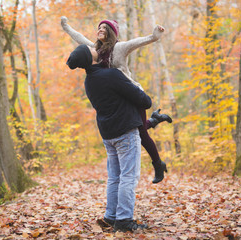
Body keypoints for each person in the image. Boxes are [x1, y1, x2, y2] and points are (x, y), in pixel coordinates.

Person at [61, 16, 171, 184]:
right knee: (136, 126)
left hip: (132, 92)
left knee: (140, 133)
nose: (101, 30)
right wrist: (66, 27)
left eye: (105, 28)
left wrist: (155, 36)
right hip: (118, 96)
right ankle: (154, 120)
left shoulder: (119, 47)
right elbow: (79, 38)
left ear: (111, 33)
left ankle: (158, 164)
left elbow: (139, 41)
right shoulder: (94, 50)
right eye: (99, 28)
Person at [66, 44, 150, 232]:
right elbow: (143, 100)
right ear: (91, 56)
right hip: (126, 132)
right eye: (90, 47)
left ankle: (111, 216)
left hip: (108, 134)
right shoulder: (111, 75)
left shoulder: (89, 81)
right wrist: (143, 95)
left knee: (115, 177)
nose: (93, 45)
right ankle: (124, 220)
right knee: (128, 176)